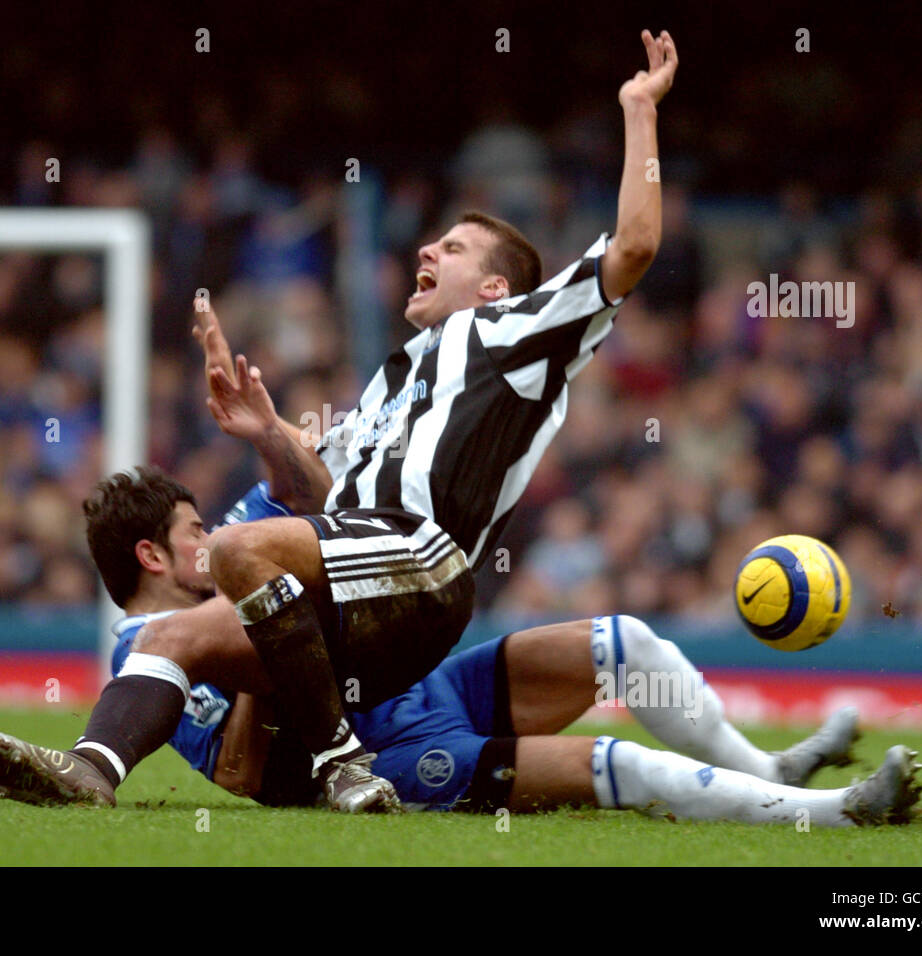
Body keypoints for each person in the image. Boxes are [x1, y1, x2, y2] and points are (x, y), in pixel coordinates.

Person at [39, 29, 683, 813]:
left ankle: (341, 762)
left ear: (491, 290)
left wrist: (638, 110)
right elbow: (323, 495)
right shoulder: (390, 382)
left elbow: (636, 246)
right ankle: (99, 772)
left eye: (452, 246)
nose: (427, 249)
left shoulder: (510, 331)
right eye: (436, 239)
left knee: (241, 554)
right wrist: (271, 434)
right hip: (368, 614)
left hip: (420, 575)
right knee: (176, 630)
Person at [0, 471, 922, 826]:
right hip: (396, 757)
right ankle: (833, 813)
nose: (211, 535)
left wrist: (265, 438)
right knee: (619, 766)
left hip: (423, 682)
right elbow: (250, 775)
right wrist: (266, 652)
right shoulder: (155, 658)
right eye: (192, 528)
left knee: (624, 643)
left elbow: (317, 503)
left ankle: (770, 766)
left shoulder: (226, 584)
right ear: (151, 555)